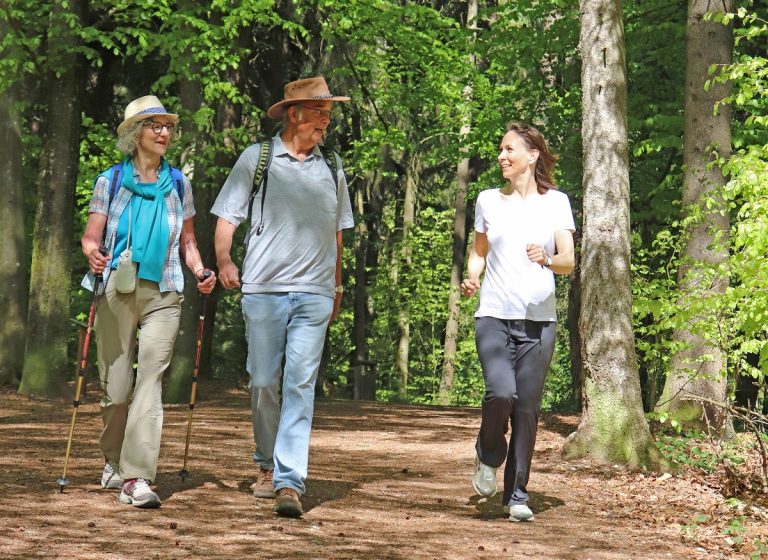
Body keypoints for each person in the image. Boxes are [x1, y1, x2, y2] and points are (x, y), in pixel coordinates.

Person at [211, 76, 354, 518]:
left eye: (328, 115)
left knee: (300, 385)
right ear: (294, 114)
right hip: (263, 290)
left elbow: (338, 231)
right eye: (319, 114)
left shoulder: (332, 166)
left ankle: (289, 480)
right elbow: (226, 217)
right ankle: (264, 462)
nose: (325, 124)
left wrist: (337, 284)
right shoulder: (257, 159)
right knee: (261, 381)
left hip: (314, 293)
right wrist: (225, 261)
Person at [80, 95, 216, 509]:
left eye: (167, 126)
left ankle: (136, 476)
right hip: (117, 287)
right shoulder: (110, 180)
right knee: (117, 390)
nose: (164, 132)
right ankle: (112, 460)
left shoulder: (178, 183)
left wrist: (199, 271)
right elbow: (92, 234)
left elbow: (189, 240)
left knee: (149, 383)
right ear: (134, 134)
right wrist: (92, 252)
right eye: (154, 125)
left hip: (166, 290)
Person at [461, 121, 575, 522]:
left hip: (539, 323)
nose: (502, 156)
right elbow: (478, 251)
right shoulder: (488, 200)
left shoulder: (556, 203)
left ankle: (517, 495)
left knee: (526, 408)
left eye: (510, 149)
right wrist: (473, 275)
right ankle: (488, 453)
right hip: (493, 315)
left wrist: (546, 258)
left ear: (533, 155)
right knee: (501, 393)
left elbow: (568, 261)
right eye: (500, 149)